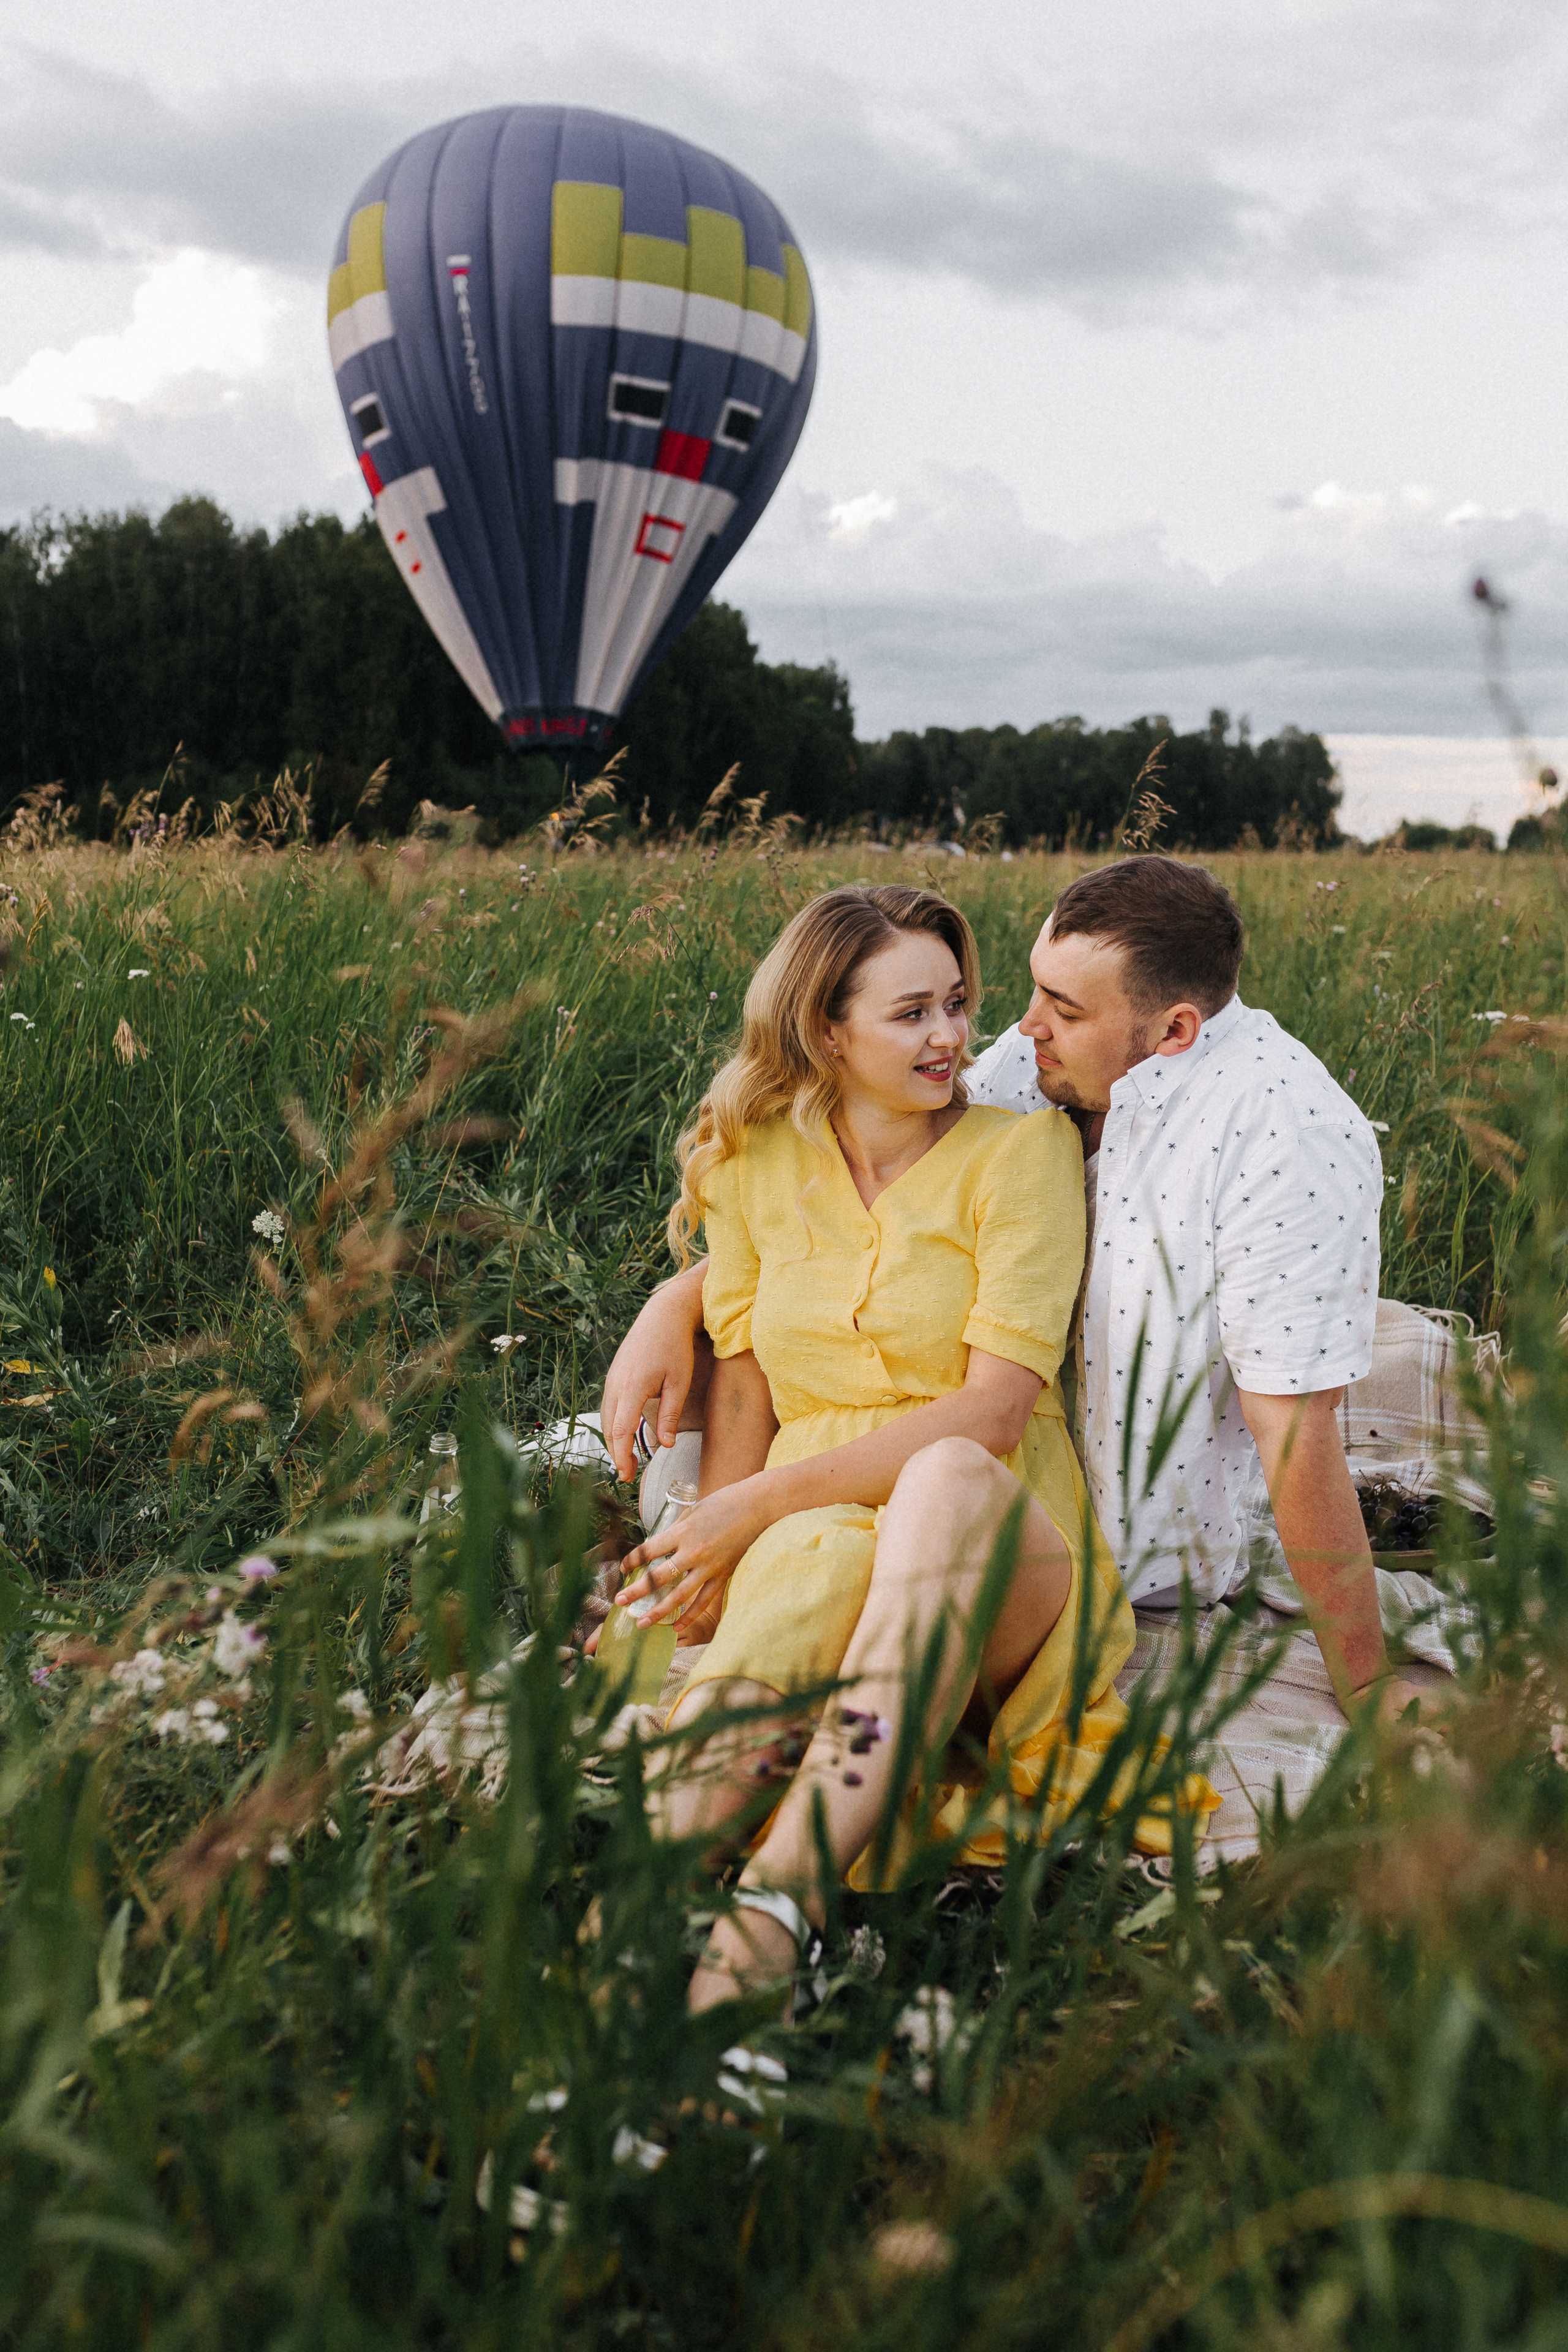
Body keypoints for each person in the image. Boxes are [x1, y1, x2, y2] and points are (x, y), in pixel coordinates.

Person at [603, 856, 1432, 1732]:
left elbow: (1295, 1432)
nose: (1019, 1025)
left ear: (1175, 1029)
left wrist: (1365, 1684)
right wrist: (680, 1300)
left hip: (1082, 1545)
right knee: (711, 1511)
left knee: (796, 1620)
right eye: (1035, 989)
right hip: (896, 1461)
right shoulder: (1038, 1062)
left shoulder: (1285, 1134)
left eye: (1064, 1009)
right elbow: (870, 1223)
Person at [605, 883, 1174, 2013]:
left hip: (991, 1540)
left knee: (939, 1479)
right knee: (801, 1585)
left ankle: (775, 1902)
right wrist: (719, 1552)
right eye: (911, 1013)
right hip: (810, 1528)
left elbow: (994, 1415)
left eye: (957, 1004)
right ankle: (636, 1941)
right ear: (826, 1029)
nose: (952, 1037)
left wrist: (745, 1512)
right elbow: (747, 1383)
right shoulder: (752, 1163)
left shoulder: (1022, 1155)